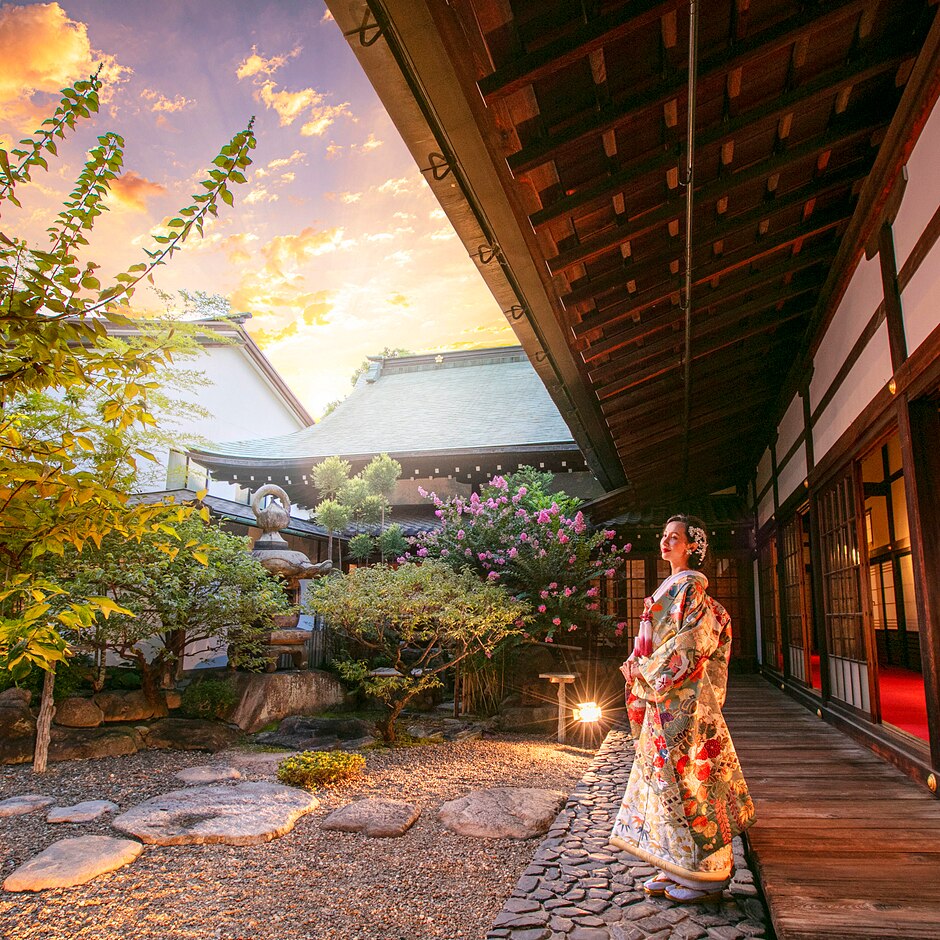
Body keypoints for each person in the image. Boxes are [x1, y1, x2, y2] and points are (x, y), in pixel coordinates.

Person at [609, 515, 755, 904]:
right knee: (665, 785)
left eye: (674, 537)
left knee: (691, 784)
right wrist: (636, 663)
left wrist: (647, 670)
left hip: (683, 701)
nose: (665, 541)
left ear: (692, 546)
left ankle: (706, 877)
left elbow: (691, 642)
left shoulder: (691, 589)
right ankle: (674, 864)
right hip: (665, 699)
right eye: (664, 535)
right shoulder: (674, 588)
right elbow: (654, 640)